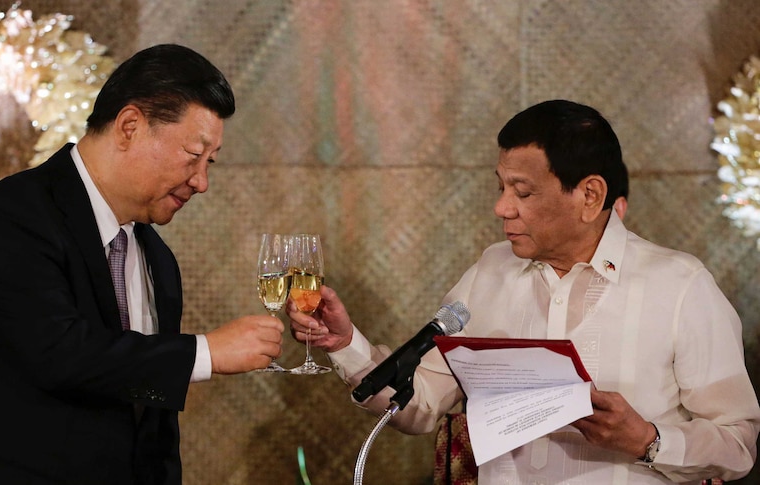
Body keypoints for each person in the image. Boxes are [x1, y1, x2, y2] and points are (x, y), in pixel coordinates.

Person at [287, 100, 760, 483]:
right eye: (501, 188)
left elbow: (738, 444)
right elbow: (420, 405)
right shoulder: (491, 271)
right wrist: (346, 345)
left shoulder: (680, 286)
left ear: (589, 196)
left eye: (523, 192)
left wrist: (648, 439)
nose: (501, 208)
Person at [0, 44, 284, 485]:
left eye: (210, 163)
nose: (202, 182)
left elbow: (152, 427)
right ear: (130, 126)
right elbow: (59, 353)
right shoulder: (16, 212)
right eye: (192, 156)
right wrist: (207, 352)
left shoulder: (158, 260)